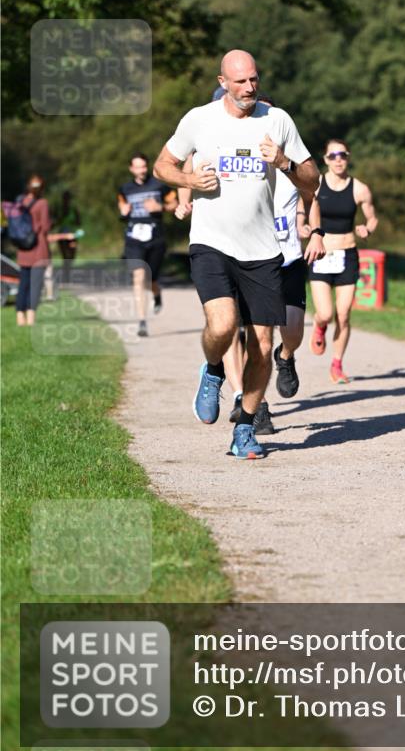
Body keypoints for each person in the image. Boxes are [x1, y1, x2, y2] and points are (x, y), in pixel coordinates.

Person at [153, 49, 319, 460]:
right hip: (211, 242)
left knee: (262, 343)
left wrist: (283, 161)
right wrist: (190, 180)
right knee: (224, 324)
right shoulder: (200, 119)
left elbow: (312, 180)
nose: (249, 87)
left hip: (262, 249)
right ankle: (212, 370)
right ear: (222, 82)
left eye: (254, 79)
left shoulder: (277, 120)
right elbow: (162, 166)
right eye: (240, 81)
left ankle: (245, 427)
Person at [308, 139, 378, 384]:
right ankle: (319, 325)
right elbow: (302, 210)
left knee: (344, 314)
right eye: (333, 155)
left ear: (348, 157)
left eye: (343, 155)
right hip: (321, 255)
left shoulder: (360, 189)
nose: (338, 160)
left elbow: (372, 218)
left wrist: (367, 229)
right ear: (325, 159)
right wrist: (304, 228)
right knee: (326, 313)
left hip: (347, 255)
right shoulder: (316, 185)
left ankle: (337, 365)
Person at [117, 153, 178, 337]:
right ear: (131, 169)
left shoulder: (159, 185)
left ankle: (156, 293)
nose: (141, 170)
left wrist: (160, 208)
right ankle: (142, 321)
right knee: (139, 277)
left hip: (155, 238)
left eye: (144, 166)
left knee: (151, 279)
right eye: (138, 167)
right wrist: (124, 212)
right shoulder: (125, 189)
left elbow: (175, 204)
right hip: (133, 238)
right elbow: (122, 209)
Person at [15, 175, 51, 326]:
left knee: (23, 283)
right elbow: (46, 226)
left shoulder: (20, 202)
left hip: (23, 249)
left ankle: (20, 317)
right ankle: (30, 318)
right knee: (35, 285)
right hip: (38, 249)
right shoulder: (42, 203)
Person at [55, 190, 82, 283]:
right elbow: (55, 222)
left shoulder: (74, 209)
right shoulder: (59, 210)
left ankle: (68, 272)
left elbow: (79, 222)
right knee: (65, 256)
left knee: (72, 255)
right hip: (62, 236)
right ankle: (66, 275)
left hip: (72, 236)